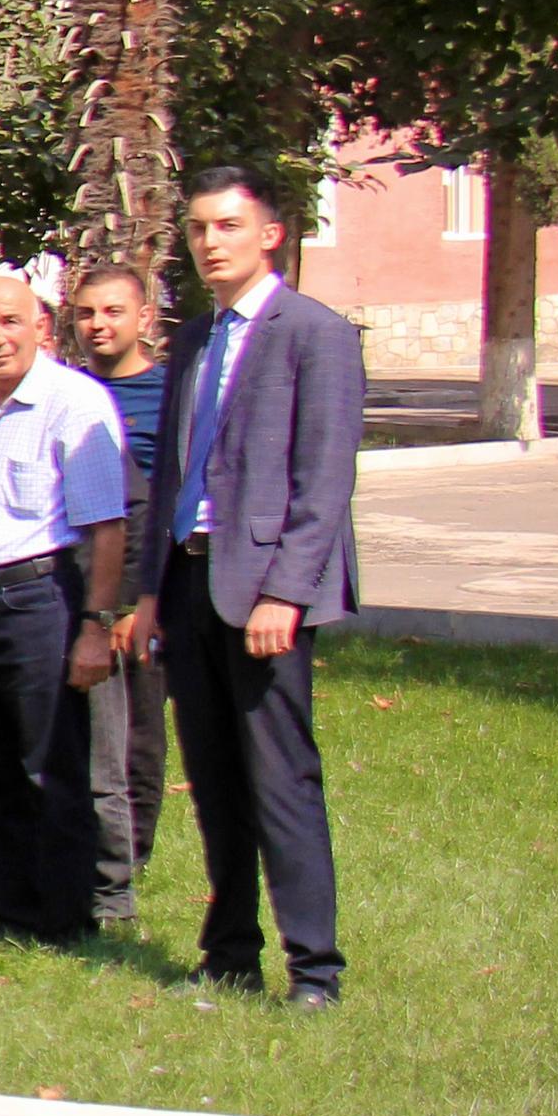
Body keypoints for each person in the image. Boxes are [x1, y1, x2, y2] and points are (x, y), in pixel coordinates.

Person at [126, 165, 365, 1003]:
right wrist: (153, 592)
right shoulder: (195, 339)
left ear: (270, 233)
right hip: (190, 585)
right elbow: (171, 483)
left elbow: (325, 479)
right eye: (197, 229)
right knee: (215, 777)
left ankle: (315, 970)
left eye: (227, 226)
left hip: (264, 591)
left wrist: (287, 593)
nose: (209, 243)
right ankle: (228, 954)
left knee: (280, 777)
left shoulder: (315, 333)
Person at [0, 277, 134, 946]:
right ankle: (9, 912)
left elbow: (107, 527)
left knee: (50, 769)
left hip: (38, 601)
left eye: (10, 322)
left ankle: (63, 920)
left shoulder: (75, 403)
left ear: (40, 325)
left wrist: (96, 628)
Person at [70, 261, 173, 928]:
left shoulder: (170, 394)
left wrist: (140, 600)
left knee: (137, 731)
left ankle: (129, 862)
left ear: (144, 320)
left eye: (112, 311)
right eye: (87, 313)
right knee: (85, 735)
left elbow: (170, 501)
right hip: (76, 586)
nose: (99, 325)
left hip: (148, 589)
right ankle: (88, 851)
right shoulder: (66, 392)